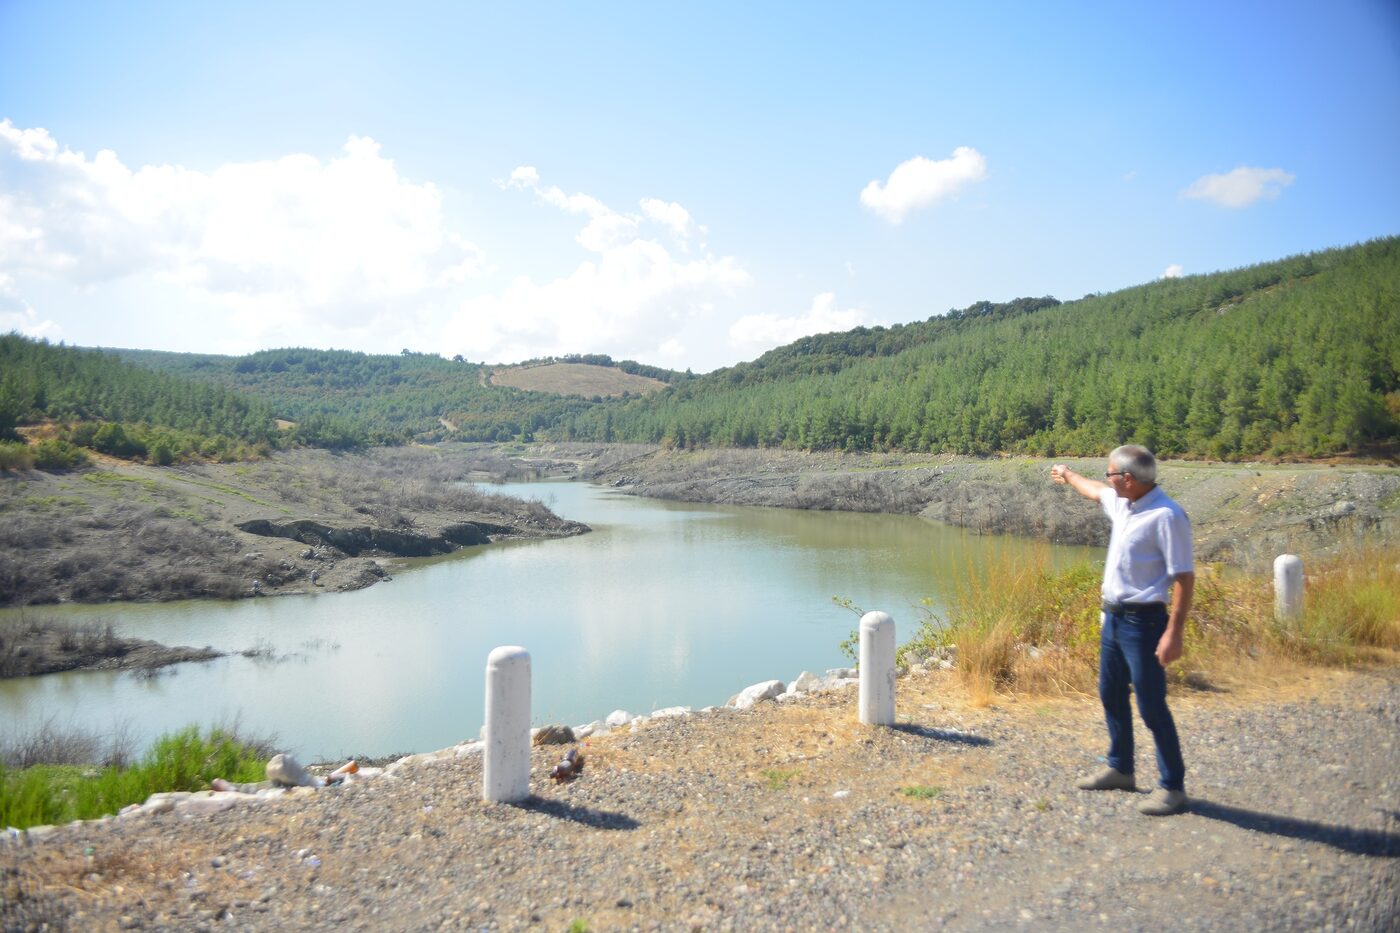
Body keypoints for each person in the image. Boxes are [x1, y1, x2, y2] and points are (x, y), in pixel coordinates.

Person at [1050, 445, 1194, 816]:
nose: (1107, 479)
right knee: (1110, 692)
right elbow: (1093, 490)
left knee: (1150, 704)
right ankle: (1121, 767)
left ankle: (1172, 786)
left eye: (1111, 473)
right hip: (1113, 619)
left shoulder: (1167, 515)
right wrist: (1066, 474)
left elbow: (1183, 578)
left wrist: (1173, 633)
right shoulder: (1123, 502)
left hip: (1144, 623)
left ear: (1128, 479)